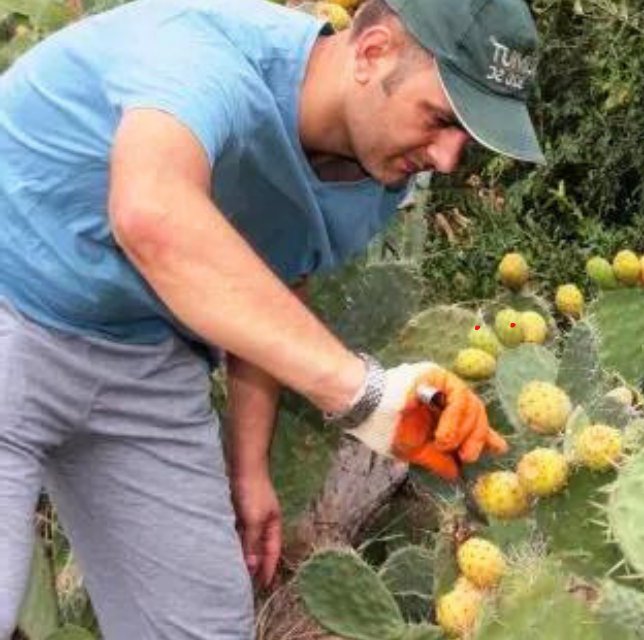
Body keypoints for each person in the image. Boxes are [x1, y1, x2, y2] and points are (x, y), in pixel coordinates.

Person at [0, 0, 545, 636]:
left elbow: (275, 276)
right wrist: (368, 395)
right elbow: (151, 214)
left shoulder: (376, 178)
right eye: (439, 119)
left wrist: (250, 466)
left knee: (204, 626)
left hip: (146, 359)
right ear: (372, 51)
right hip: (11, 303)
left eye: (467, 139)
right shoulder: (200, 56)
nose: (449, 159)